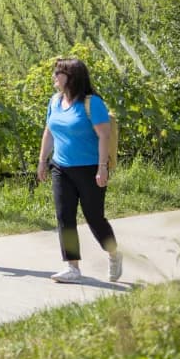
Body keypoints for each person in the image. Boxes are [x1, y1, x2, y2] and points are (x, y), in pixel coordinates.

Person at [37, 57, 122, 284]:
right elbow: (49, 131)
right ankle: (72, 267)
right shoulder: (55, 101)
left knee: (94, 218)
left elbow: (104, 136)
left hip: (89, 169)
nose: (54, 76)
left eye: (58, 73)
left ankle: (113, 253)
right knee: (64, 216)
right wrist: (42, 160)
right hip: (61, 168)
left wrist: (102, 168)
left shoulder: (92, 103)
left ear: (71, 78)